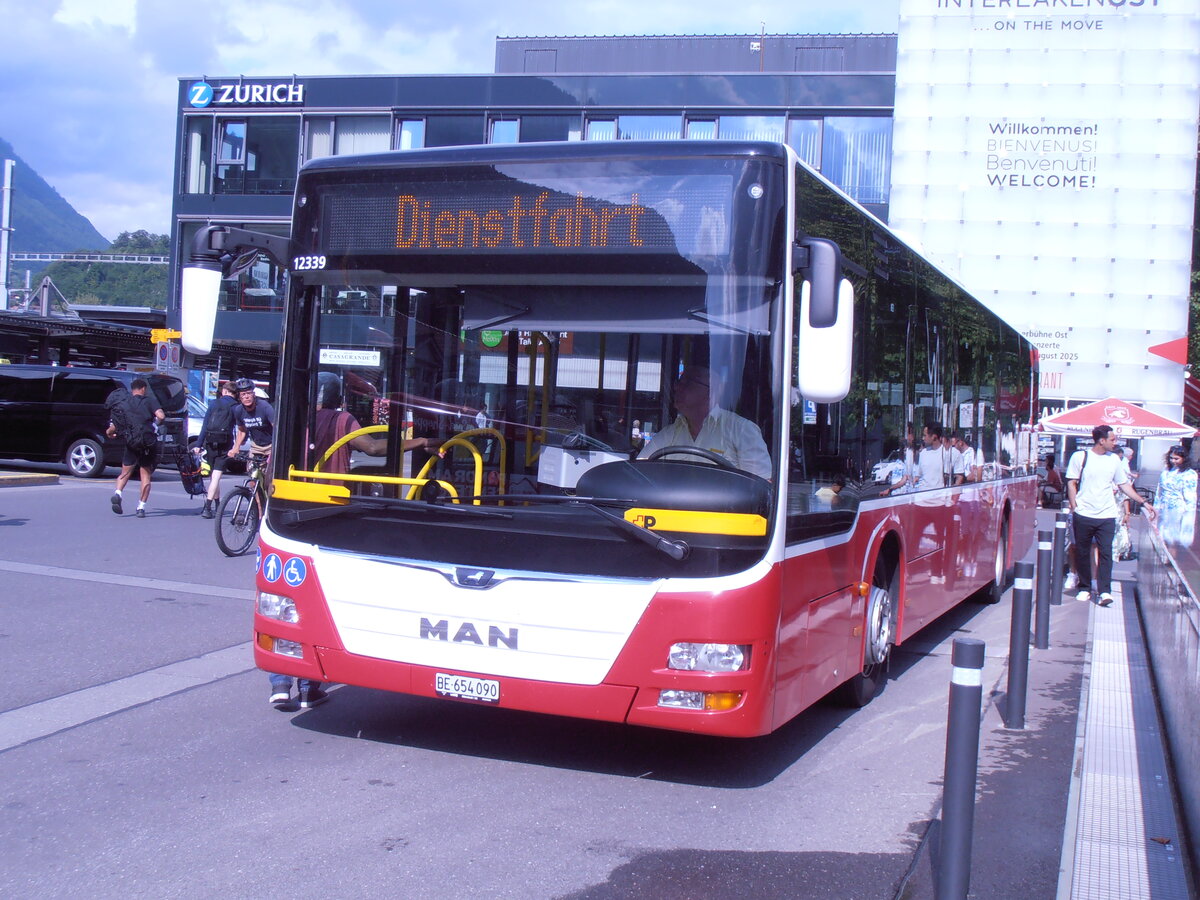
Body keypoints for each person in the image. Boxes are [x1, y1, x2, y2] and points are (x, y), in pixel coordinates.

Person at [1065, 424, 1156, 606]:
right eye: (1112, 439)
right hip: (1084, 513)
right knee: (1082, 552)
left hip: (1107, 514)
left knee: (1106, 552)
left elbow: (1123, 484)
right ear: (1101, 440)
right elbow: (1071, 482)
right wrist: (1074, 505)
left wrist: (1143, 501)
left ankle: (1104, 591)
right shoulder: (1080, 457)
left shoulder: (1114, 460)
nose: (1116, 442)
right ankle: (1084, 587)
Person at [638, 364, 771, 480]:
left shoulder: (741, 430)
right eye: (679, 382)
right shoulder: (669, 433)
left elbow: (760, 485)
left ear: (711, 392)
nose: (677, 388)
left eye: (688, 383)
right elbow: (639, 472)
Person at [313, 372, 439, 473]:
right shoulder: (342, 420)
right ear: (339, 399)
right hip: (332, 494)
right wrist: (422, 441)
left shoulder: (304, 418)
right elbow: (372, 447)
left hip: (301, 490)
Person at [107, 378, 165, 518]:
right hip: (147, 442)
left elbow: (115, 426)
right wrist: (155, 424)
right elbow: (161, 416)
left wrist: (110, 433)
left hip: (131, 442)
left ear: (132, 390)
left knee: (125, 472)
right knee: (145, 474)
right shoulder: (149, 401)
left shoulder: (125, 403)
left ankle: (118, 493)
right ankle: (141, 507)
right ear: (143, 389)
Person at [199, 381, 239, 518]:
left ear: (225, 391)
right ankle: (209, 506)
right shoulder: (236, 407)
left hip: (210, 443)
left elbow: (204, 426)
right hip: (225, 443)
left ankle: (214, 505)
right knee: (216, 476)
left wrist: (198, 445)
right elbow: (240, 428)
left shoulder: (214, 403)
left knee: (213, 476)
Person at [1155, 445, 1196, 546]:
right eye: (1171, 458)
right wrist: (1155, 507)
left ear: (1184, 458)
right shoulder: (1166, 471)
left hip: (1178, 510)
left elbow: (1190, 497)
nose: (1173, 461)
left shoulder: (1189, 474)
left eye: (1176, 458)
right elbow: (1159, 491)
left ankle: (1169, 560)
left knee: (1172, 539)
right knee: (1161, 537)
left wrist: (1189, 517)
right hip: (1163, 507)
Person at [227, 377, 274, 464]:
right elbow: (241, 431)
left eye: (249, 393)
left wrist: (276, 448)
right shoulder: (239, 410)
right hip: (256, 446)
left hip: (271, 446)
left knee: (269, 474)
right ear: (239, 397)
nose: (246, 397)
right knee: (252, 471)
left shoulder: (265, 407)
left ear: (254, 394)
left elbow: (276, 428)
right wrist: (236, 448)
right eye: (243, 394)